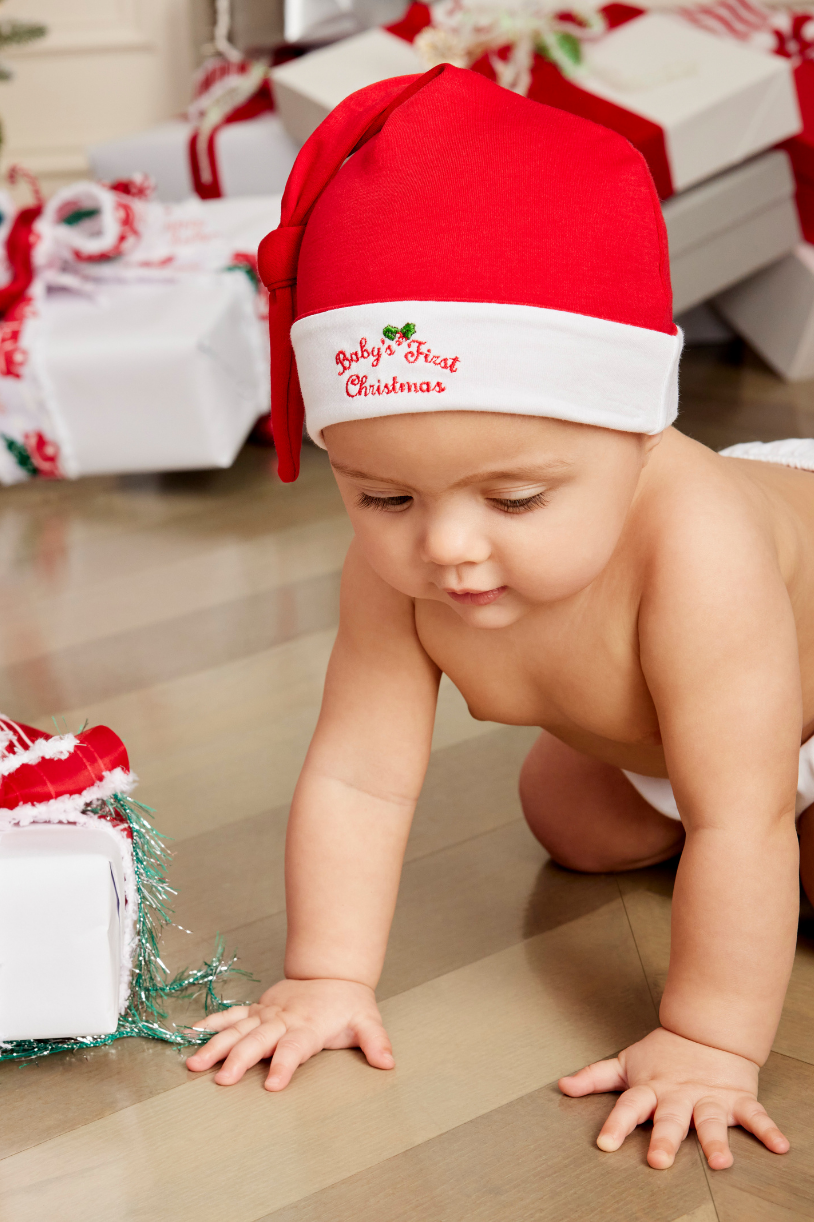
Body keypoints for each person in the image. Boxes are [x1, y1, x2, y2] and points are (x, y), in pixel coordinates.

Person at [186, 64, 808, 1172]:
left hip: (783, 710)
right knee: (571, 819)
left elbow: (738, 814)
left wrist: (708, 1041)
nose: (448, 547)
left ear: (635, 432)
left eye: (513, 499)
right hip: (675, 731)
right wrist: (328, 975)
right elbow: (359, 774)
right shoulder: (404, 563)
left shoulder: (698, 546)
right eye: (383, 496)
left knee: (752, 828)